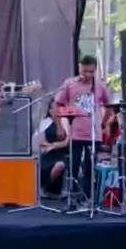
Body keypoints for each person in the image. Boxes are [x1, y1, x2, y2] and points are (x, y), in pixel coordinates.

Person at [55, 55, 111, 198]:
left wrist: (103, 123)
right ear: (79, 68)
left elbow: (109, 105)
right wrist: (60, 126)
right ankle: (72, 195)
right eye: (84, 71)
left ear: (95, 70)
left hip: (93, 133)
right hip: (75, 132)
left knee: (90, 167)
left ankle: (88, 197)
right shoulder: (70, 84)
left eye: (90, 72)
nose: (87, 75)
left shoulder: (99, 86)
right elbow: (57, 104)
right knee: (73, 165)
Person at [35, 100, 69, 197]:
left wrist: (54, 145)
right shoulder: (46, 122)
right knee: (40, 164)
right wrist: (49, 146)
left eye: (58, 107)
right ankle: (43, 187)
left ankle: (48, 187)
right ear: (49, 110)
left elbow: (67, 141)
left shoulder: (64, 120)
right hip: (48, 152)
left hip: (60, 152)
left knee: (59, 165)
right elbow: (41, 141)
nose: (56, 110)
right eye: (53, 108)